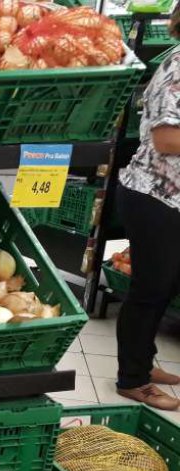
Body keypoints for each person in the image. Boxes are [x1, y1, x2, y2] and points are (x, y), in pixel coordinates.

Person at [116, 7, 180, 410]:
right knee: (150, 289)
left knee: (165, 286)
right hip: (153, 196)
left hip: (171, 198)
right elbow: (167, 140)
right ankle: (132, 379)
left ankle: (145, 360)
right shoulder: (177, 70)